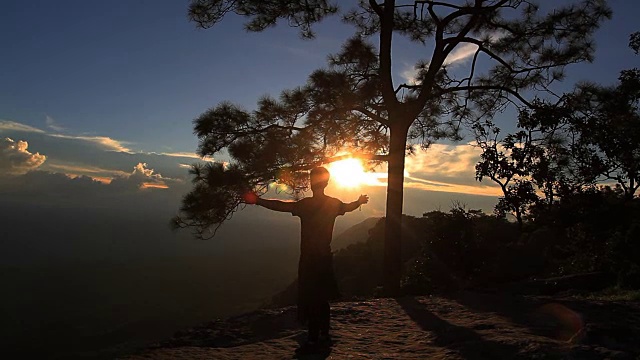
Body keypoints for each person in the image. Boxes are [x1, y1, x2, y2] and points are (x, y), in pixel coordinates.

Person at [244, 167, 369, 347]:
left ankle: (313, 336)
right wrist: (359, 201)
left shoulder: (305, 205)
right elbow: (348, 207)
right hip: (325, 257)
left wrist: (258, 200)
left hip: (309, 258)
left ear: (311, 184)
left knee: (310, 295)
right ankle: (324, 333)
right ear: (326, 183)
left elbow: (281, 206)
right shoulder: (333, 204)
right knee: (322, 296)